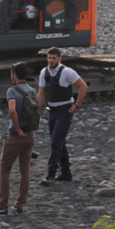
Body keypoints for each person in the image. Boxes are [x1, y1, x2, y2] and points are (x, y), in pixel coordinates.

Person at [0, 62, 36, 215]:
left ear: (14, 75)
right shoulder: (32, 90)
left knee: (5, 169)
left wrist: (19, 129)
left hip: (16, 136)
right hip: (31, 135)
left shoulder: (12, 90)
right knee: (25, 170)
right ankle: (19, 205)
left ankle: (2, 206)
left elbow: (12, 111)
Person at [38, 47, 88, 185]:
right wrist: (37, 111)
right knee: (59, 142)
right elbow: (41, 93)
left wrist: (77, 105)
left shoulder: (66, 72)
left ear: (60, 58)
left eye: (54, 58)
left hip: (65, 111)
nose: (51, 61)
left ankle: (51, 173)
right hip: (52, 111)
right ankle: (66, 172)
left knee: (55, 142)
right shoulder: (44, 72)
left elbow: (83, 86)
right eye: (49, 58)